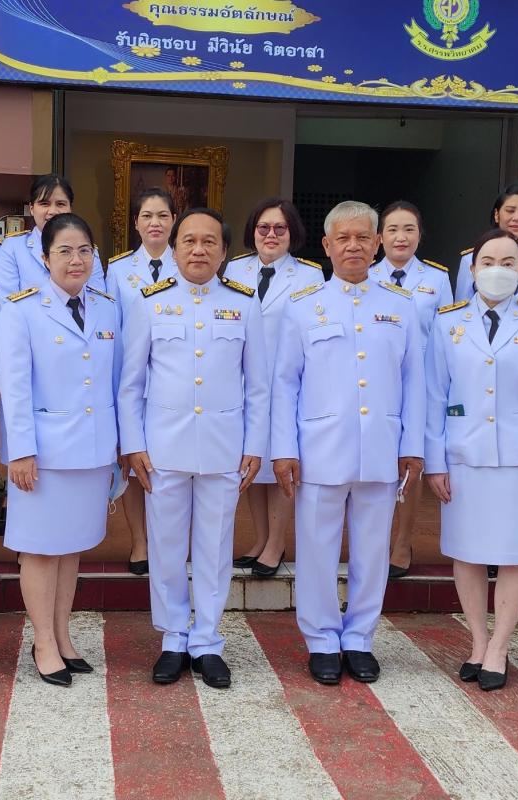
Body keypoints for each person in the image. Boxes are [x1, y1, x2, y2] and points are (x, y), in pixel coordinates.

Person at [271, 200, 424, 685]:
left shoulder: (401, 307)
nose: (353, 246)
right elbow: (284, 382)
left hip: (381, 446)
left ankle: (359, 638)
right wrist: (284, 448)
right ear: (327, 245)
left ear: (377, 243)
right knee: (316, 548)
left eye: (362, 237)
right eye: (343, 238)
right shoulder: (303, 307)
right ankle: (321, 639)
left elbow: (416, 380)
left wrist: (412, 445)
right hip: (320, 448)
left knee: (372, 551)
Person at [119, 208, 268, 689]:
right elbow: (130, 384)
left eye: (209, 242)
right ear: (175, 248)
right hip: (163, 447)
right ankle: (173, 639)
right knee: (165, 546)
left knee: (215, 546)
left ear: (224, 252)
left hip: (224, 447)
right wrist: (133, 444)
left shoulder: (244, 303)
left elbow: (258, 385)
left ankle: (207, 641)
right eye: (189, 241)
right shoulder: (150, 301)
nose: (198, 250)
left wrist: (255, 445)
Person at [424, 229, 518, 692]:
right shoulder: (447, 323)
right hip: (464, 456)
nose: (497, 270)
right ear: (472, 269)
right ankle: (478, 642)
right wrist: (435, 461)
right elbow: (434, 395)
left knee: (514, 556)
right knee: (466, 553)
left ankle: (500, 647)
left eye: (508, 262)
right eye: (488, 261)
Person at [0, 212, 122, 686]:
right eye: (65, 251)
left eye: (84, 250)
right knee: (40, 550)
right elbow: (14, 387)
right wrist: (20, 451)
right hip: (44, 455)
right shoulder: (22, 309)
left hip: (93, 451)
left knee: (72, 549)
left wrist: (118, 449)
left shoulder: (107, 307)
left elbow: (115, 383)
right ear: (45, 258)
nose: (76, 260)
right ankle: (43, 642)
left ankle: (63, 636)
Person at [224, 199, 320, 576]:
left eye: (280, 228)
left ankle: (277, 543)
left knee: (281, 460)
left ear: (292, 233)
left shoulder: (309, 275)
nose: (271, 235)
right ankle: (260, 538)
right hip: (243, 382)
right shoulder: (235, 269)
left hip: (286, 381)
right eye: (263, 227)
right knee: (252, 462)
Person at [371, 200, 452, 579]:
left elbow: (447, 335)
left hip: (422, 385)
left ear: (420, 235)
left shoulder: (437, 279)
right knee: (378, 463)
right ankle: (374, 541)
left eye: (409, 229)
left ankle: (402, 542)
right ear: (379, 237)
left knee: (411, 464)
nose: (400, 237)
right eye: (392, 229)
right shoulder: (367, 275)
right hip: (378, 383)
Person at [105, 187, 180, 576]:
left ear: (173, 221)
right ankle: (140, 541)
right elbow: (112, 331)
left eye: (163, 215)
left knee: (170, 465)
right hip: (132, 383)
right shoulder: (118, 270)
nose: (155, 223)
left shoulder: (187, 264)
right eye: (147, 216)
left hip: (173, 384)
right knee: (133, 465)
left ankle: (167, 542)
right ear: (135, 222)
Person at [0, 174, 105, 299]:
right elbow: (3, 300)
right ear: (32, 208)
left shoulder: (87, 250)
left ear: (70, 208)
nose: (53, 211)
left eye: (60, 204)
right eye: (44, 204)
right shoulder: (13, 247)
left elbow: (96, 299)